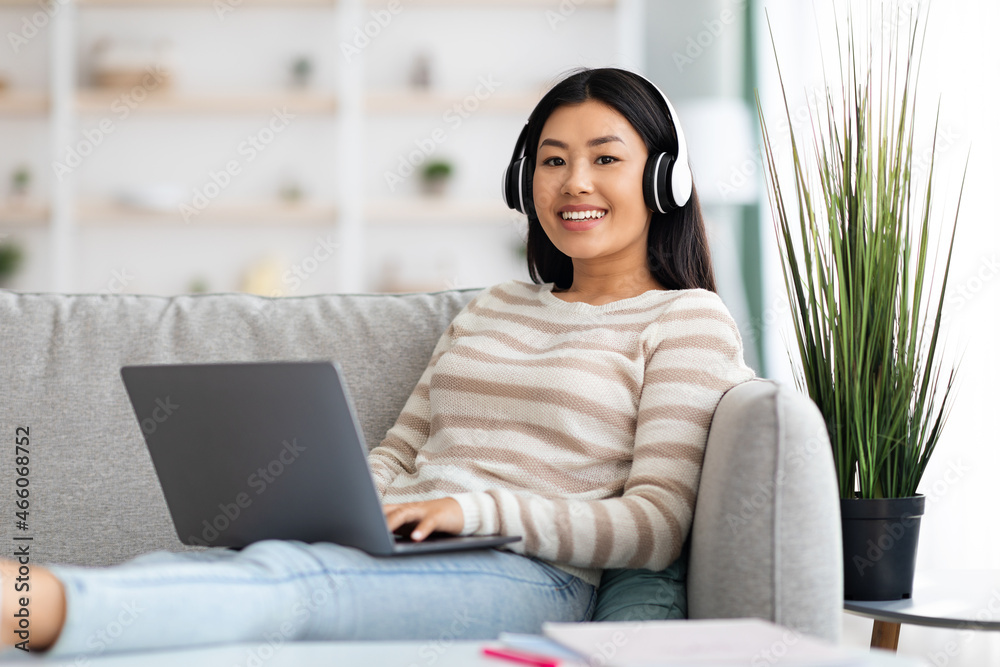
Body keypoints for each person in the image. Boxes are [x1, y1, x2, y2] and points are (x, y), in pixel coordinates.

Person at [0, 66, 755, 657]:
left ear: (664, 178)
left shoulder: (685, 320)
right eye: (553, 160)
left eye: (605, 158)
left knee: (293, 587)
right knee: (249, 564)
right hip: (398, 543)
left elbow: (654, 527)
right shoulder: (494, 306)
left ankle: (33, 604)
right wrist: (342, 506)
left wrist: (472, 513)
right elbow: (401, 449)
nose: (574, 182)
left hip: (532, 573)